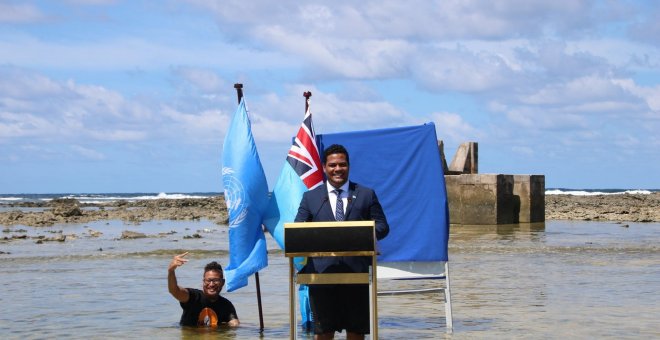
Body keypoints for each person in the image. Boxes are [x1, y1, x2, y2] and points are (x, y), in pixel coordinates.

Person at [295, 144, 389, 340]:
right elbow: (298, 229)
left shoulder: (365, 194)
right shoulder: (311, 197)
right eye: (333, 165)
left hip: (356, 274)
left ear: (348, 166)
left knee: (355, 331)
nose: (338, 169)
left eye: (342, 164)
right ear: (324, 167)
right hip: (321, 275)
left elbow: (382, 226)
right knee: (324, 331)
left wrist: (361, 235)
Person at [168, 252, 240, 327]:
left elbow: (235, 324)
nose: (211, 284)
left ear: (223, 282)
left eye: (216, 280)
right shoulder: (193, 297)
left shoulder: (226, 305)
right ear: (203, 281)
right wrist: (171, 271)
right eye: (208, 280)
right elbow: (174, 291)